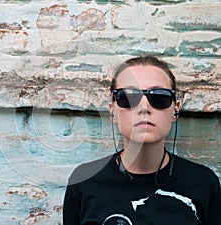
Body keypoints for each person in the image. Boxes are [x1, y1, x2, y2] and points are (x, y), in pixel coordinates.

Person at [63, 55, 221, 225]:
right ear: (112, 111)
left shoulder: (203, 183)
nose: (144, 108)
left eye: (160, 97)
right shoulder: (84, 181)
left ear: (175, 110)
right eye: (128, 97)